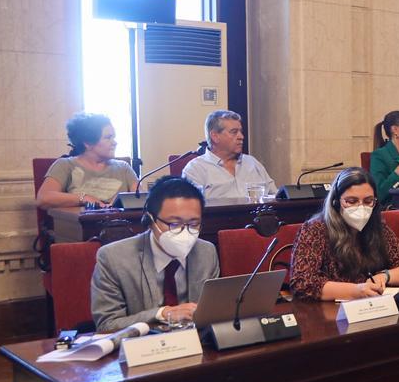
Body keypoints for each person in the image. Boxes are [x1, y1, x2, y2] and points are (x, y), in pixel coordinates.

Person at [89, 176, 218, 331]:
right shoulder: (113, 258)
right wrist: (161, 314)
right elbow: (106, 326)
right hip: (140, 349)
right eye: (174, 224)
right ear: (149, 220)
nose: (185, 232)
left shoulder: (206, 252)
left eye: (193, 224)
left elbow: (212, 315)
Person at [289, 167, 399, 300]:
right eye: (351, 201)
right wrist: (357, 290)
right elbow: (302, 282)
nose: (361, 207)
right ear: (336, 202)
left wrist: (384, 276)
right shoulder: (315, 230)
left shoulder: (378, 227)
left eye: (368, 201)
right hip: (331, 313)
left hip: (374, 308)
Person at [36, 112, 138, 209]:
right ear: (88, 143)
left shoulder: (124, 168)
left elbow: (143, 201)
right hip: (80, 226)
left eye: (113, 137)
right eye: (108, 138)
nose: (114, 143)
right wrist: (85, 198)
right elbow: (43, 198)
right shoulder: (65, 165)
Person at [181, 110, 276, 202]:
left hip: (256, 217)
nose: (241, 136)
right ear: (215, 136)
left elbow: (276, 196)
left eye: (240, 131)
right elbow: (191, 209)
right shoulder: (195, 170)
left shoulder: (252, 163)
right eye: (234, 132)